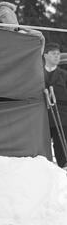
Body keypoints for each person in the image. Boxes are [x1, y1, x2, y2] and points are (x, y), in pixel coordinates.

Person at [43, 42, 67, 170]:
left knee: (61, 144)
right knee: (42, 144)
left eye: (58, 54)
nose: (57, 57)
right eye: (53, 54)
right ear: (45, 55)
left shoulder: (64, 75)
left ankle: (64, 166)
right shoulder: (37, 73)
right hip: (42, 115)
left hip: (62, 116)